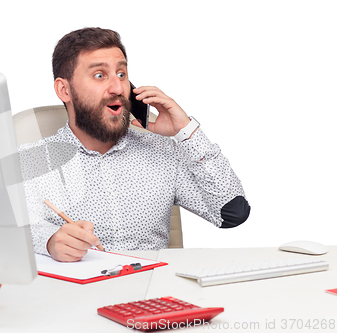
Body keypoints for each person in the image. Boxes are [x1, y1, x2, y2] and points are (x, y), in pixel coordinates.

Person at [18, 27, 250, 262]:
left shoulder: (162, 150)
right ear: (64, 89)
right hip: (81, 294)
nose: (118, 88)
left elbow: (232, 213)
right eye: (99, 75)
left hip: (154, 289)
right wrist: (50, 242)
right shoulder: (32, 162)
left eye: (121, 74)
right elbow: (12, 230)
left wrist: (187, 131)